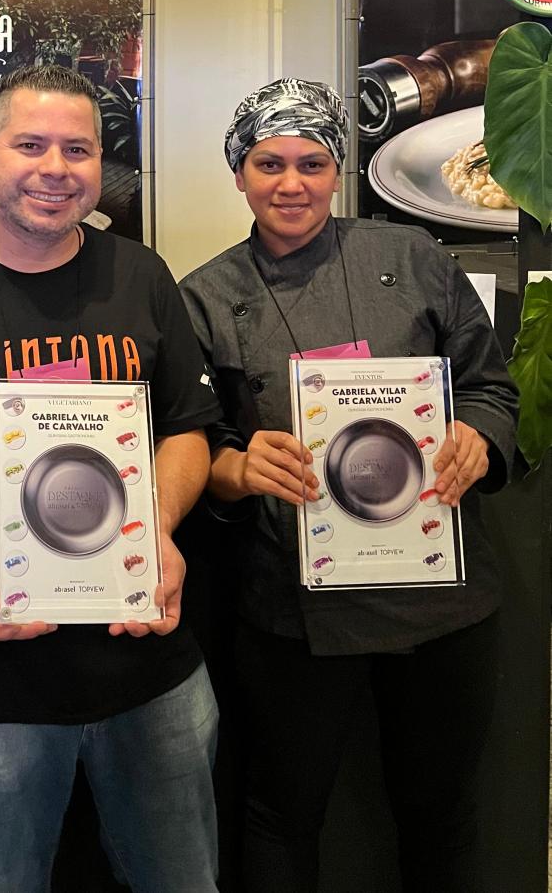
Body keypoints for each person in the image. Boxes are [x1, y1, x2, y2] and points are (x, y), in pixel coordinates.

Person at [0, 64, 222, 893]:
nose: (55, 169)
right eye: (30, 145)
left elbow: (185, 429)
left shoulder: (140, 275)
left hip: (148, 664)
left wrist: (157, 530)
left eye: (78, 149)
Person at [178, 78, 518, 893]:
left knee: (441, 816)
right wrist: (236, 469)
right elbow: (198, 443)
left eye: (312, 163)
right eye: (269, 164)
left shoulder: (413, 256)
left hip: (439, 599)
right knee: (281, 813)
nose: (291, 184)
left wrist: (477, 436)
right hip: (294, 607)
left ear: (339, 170)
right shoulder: (206, 295)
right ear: (239, 172)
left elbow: (488, 388)